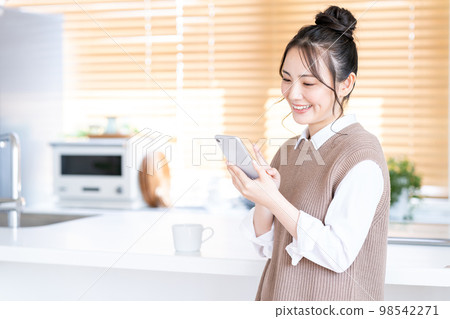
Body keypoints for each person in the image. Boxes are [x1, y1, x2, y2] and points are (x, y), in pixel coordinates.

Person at [226, 6, 390, 301]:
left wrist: (274, 199)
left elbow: (338, 253)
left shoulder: (361, 155)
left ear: (346, 84)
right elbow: (269, 246)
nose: (292, 93)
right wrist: (264, 197)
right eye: (287, 79)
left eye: (309, 83)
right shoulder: (291, 149)